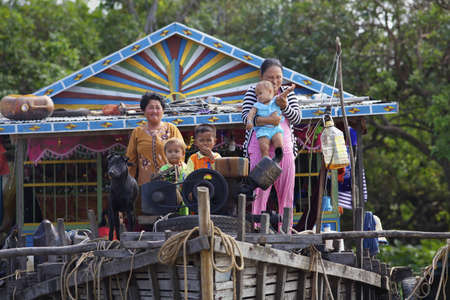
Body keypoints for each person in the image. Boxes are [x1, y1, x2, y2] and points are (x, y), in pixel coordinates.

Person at [241, 58, 301, 229]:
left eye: (279, 77)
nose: (275, 82)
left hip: (284, 148)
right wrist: (269, 120)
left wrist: (285, 107)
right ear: (261, 77)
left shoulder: (287, 93)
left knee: (286, 191)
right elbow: (245, 118)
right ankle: (257, 229)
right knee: (259, 191)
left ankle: (286, 230)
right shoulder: (254, 91)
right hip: (260, 146)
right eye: (270, 77)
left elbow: (297, 118)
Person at [126, 92, 185, 186]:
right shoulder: (137, 132)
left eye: (158, 107)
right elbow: (130, 160)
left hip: (170, 184)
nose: (154, 111)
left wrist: (180, 180)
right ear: (144, 111)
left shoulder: (172, 129)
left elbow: (181, 155)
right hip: (145, 184)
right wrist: (128, 184)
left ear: (163, 110)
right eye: (150, 108)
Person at [246, 80, 295, 158]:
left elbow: (283, 95)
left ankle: (279, 152)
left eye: (260, 93)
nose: (258, 97)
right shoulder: (257, 105)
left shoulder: (275, 101)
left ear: (269, 92)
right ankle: (265, 157)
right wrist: (249, 121)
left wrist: (288, 90)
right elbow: (250, 114)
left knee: (278, 139)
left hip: (275, 128)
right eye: (257, 95)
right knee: (263, 145)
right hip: (263, 129)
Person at [159, 138, 189, 215]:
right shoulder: (164, 169)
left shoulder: (186, 167)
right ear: (165, 154)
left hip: (184, 197)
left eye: (176, 151)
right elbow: (160, 183)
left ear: (183, 153)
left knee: (184, 215)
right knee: (171, 215)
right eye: (170, 151)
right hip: (169, 198)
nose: (173, 154)